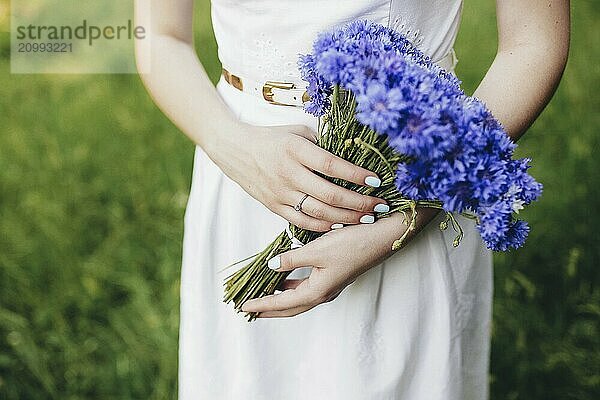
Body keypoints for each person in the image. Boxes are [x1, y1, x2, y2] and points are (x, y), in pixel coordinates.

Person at [135, 0, 569, 398]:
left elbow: (533, 41)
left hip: (406, 167)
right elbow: (160, 34)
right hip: (241, 171)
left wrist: (410, 212)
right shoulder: (236, 156)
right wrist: (231, 145)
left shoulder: (409, 200)